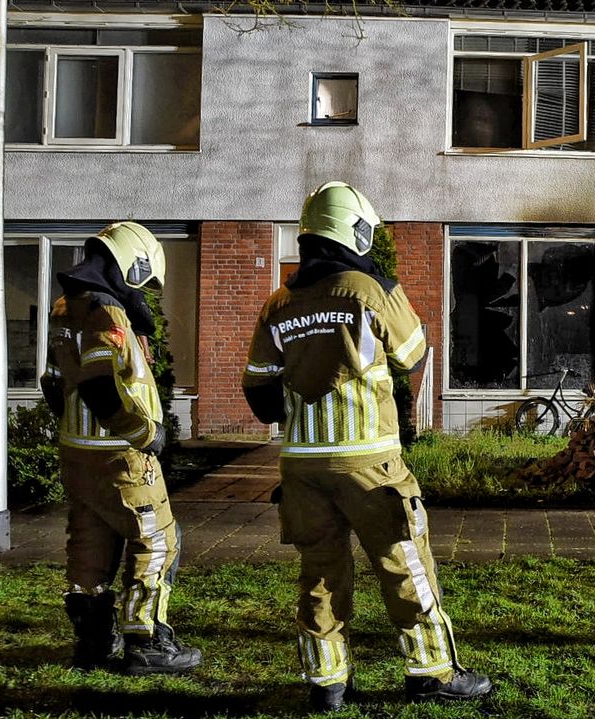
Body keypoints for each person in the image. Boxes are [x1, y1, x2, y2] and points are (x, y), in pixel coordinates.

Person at [242, 181, 492, 711]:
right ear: (351, 231)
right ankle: (431, 672)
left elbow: (258, 391)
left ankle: (327, 682)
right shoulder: (366, 290)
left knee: (320, 572)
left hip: (302, 467)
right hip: (369, 461)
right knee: (405, 562)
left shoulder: (278, 303)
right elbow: (414, 353)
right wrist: (387, 289)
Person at [40, 221, 202, 675]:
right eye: (145, 281)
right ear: (134, 263)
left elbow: (54, 380)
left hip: (79, 453)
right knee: (156, 540)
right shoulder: (104, 312)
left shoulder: (65, 307)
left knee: (89, 542)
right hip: (120, 453)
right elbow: (99, 385)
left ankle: (92, 643)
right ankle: (146, 641)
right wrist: (144, 433)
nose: (145, 292)